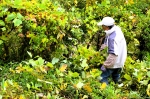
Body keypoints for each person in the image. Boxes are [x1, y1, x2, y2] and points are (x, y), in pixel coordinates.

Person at [97, 17, 127, 84]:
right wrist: (102, 49)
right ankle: (121, 89)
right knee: (116, 76)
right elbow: (108, 42)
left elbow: (113, 54)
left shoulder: (112, 38)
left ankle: (107, 93)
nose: (102, 27)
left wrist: (105, 65)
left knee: (102, 78)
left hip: (113, 62)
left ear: (106, 27)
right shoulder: (117, 30)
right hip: (121, 61)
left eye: (103, 25)